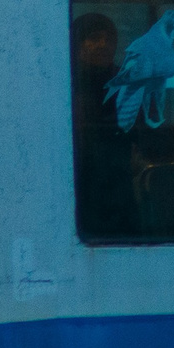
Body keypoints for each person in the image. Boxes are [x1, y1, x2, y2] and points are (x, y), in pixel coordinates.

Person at [71, 13, 137, 237]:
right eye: (94, 38)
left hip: (119, 188)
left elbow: (143, 133)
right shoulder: (65, 80)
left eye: (109, 39)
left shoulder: (125, 82)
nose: (103, 45)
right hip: (78, 184)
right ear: (78, 44)